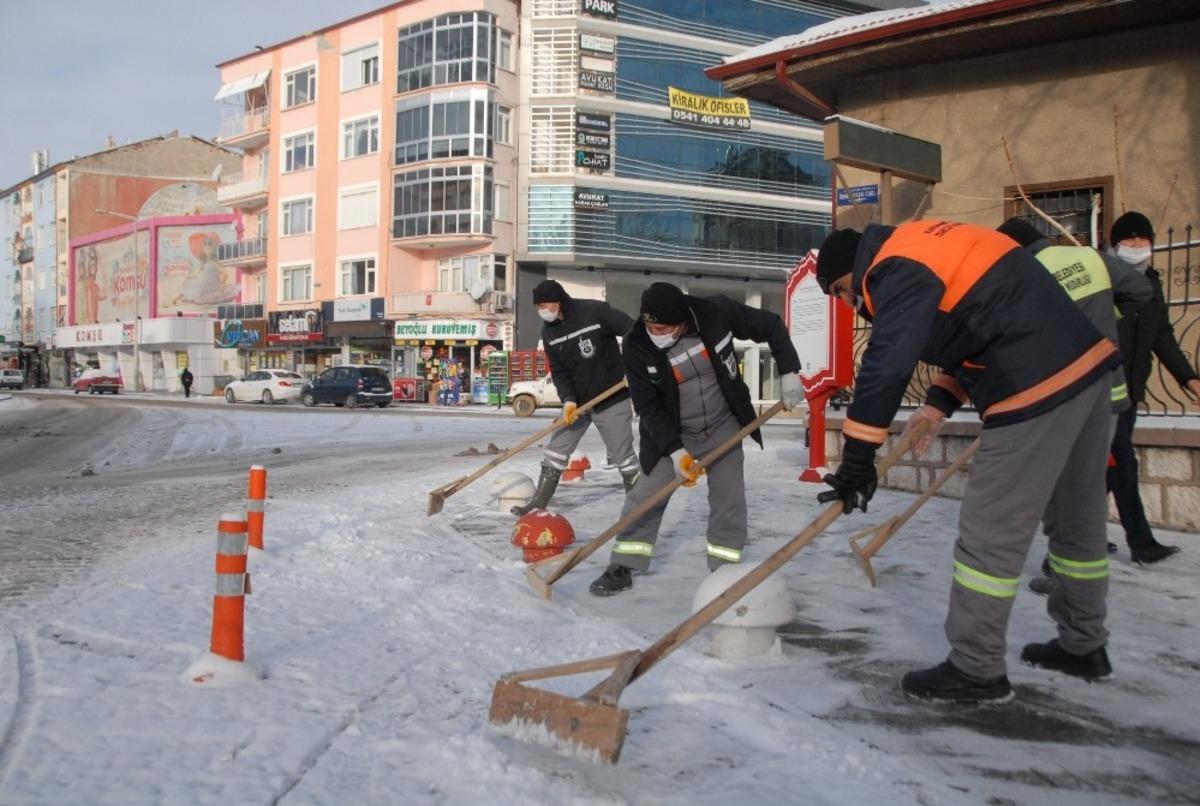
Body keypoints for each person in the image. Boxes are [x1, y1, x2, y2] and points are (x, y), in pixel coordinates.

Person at [815, 220, 1120, 701]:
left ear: (852, 270)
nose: (850, 303)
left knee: (989, 532)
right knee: (1077, 521)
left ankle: (975, 667)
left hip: (1034, 384)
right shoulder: (927, 243)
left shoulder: (893, 267)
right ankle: (1084, 643)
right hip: (1087, 371)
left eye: (841, 291)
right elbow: (979, 322)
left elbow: (889, 358)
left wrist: (857, 458)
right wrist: (938, 403)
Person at [589, 282, 805, 595]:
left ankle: (724, 568)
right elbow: (648, 407)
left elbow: (770, 325)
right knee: (645, 496)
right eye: (650, 324)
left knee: (729, 498)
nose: (654, 332)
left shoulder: (715, 313)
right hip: (674, 433)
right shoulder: (636, 344)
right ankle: (624, 563)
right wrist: (676, 453)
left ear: (682, 322)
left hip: (724, 424)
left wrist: (789, 371)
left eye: (662, 327)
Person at [1104, 211, 1199, 564]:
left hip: (1129, 393)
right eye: (1130, 242)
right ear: (1115, 245)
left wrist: (1189, 378)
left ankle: (1075, 540)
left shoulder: (1152, 283)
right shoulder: (1102, 280)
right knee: (1121, 462)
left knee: (1104, 469)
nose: (1138, 248)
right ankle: (1140, 543)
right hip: (1099, 391)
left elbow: (1162, 336)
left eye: (1144, 242)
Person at [512, 280, 639, 516]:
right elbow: (559, 372)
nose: (541, 310)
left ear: (558, 301)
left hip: (611, 396)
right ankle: (538, 503)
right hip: (578, 404)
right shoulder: (549, 332)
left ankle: (639, 504)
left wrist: (635, 367)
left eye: (544, 304)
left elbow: (634, 331)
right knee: (555, 450)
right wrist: (568, 400)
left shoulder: (594, 311)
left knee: (623, 456)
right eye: (537, 306)